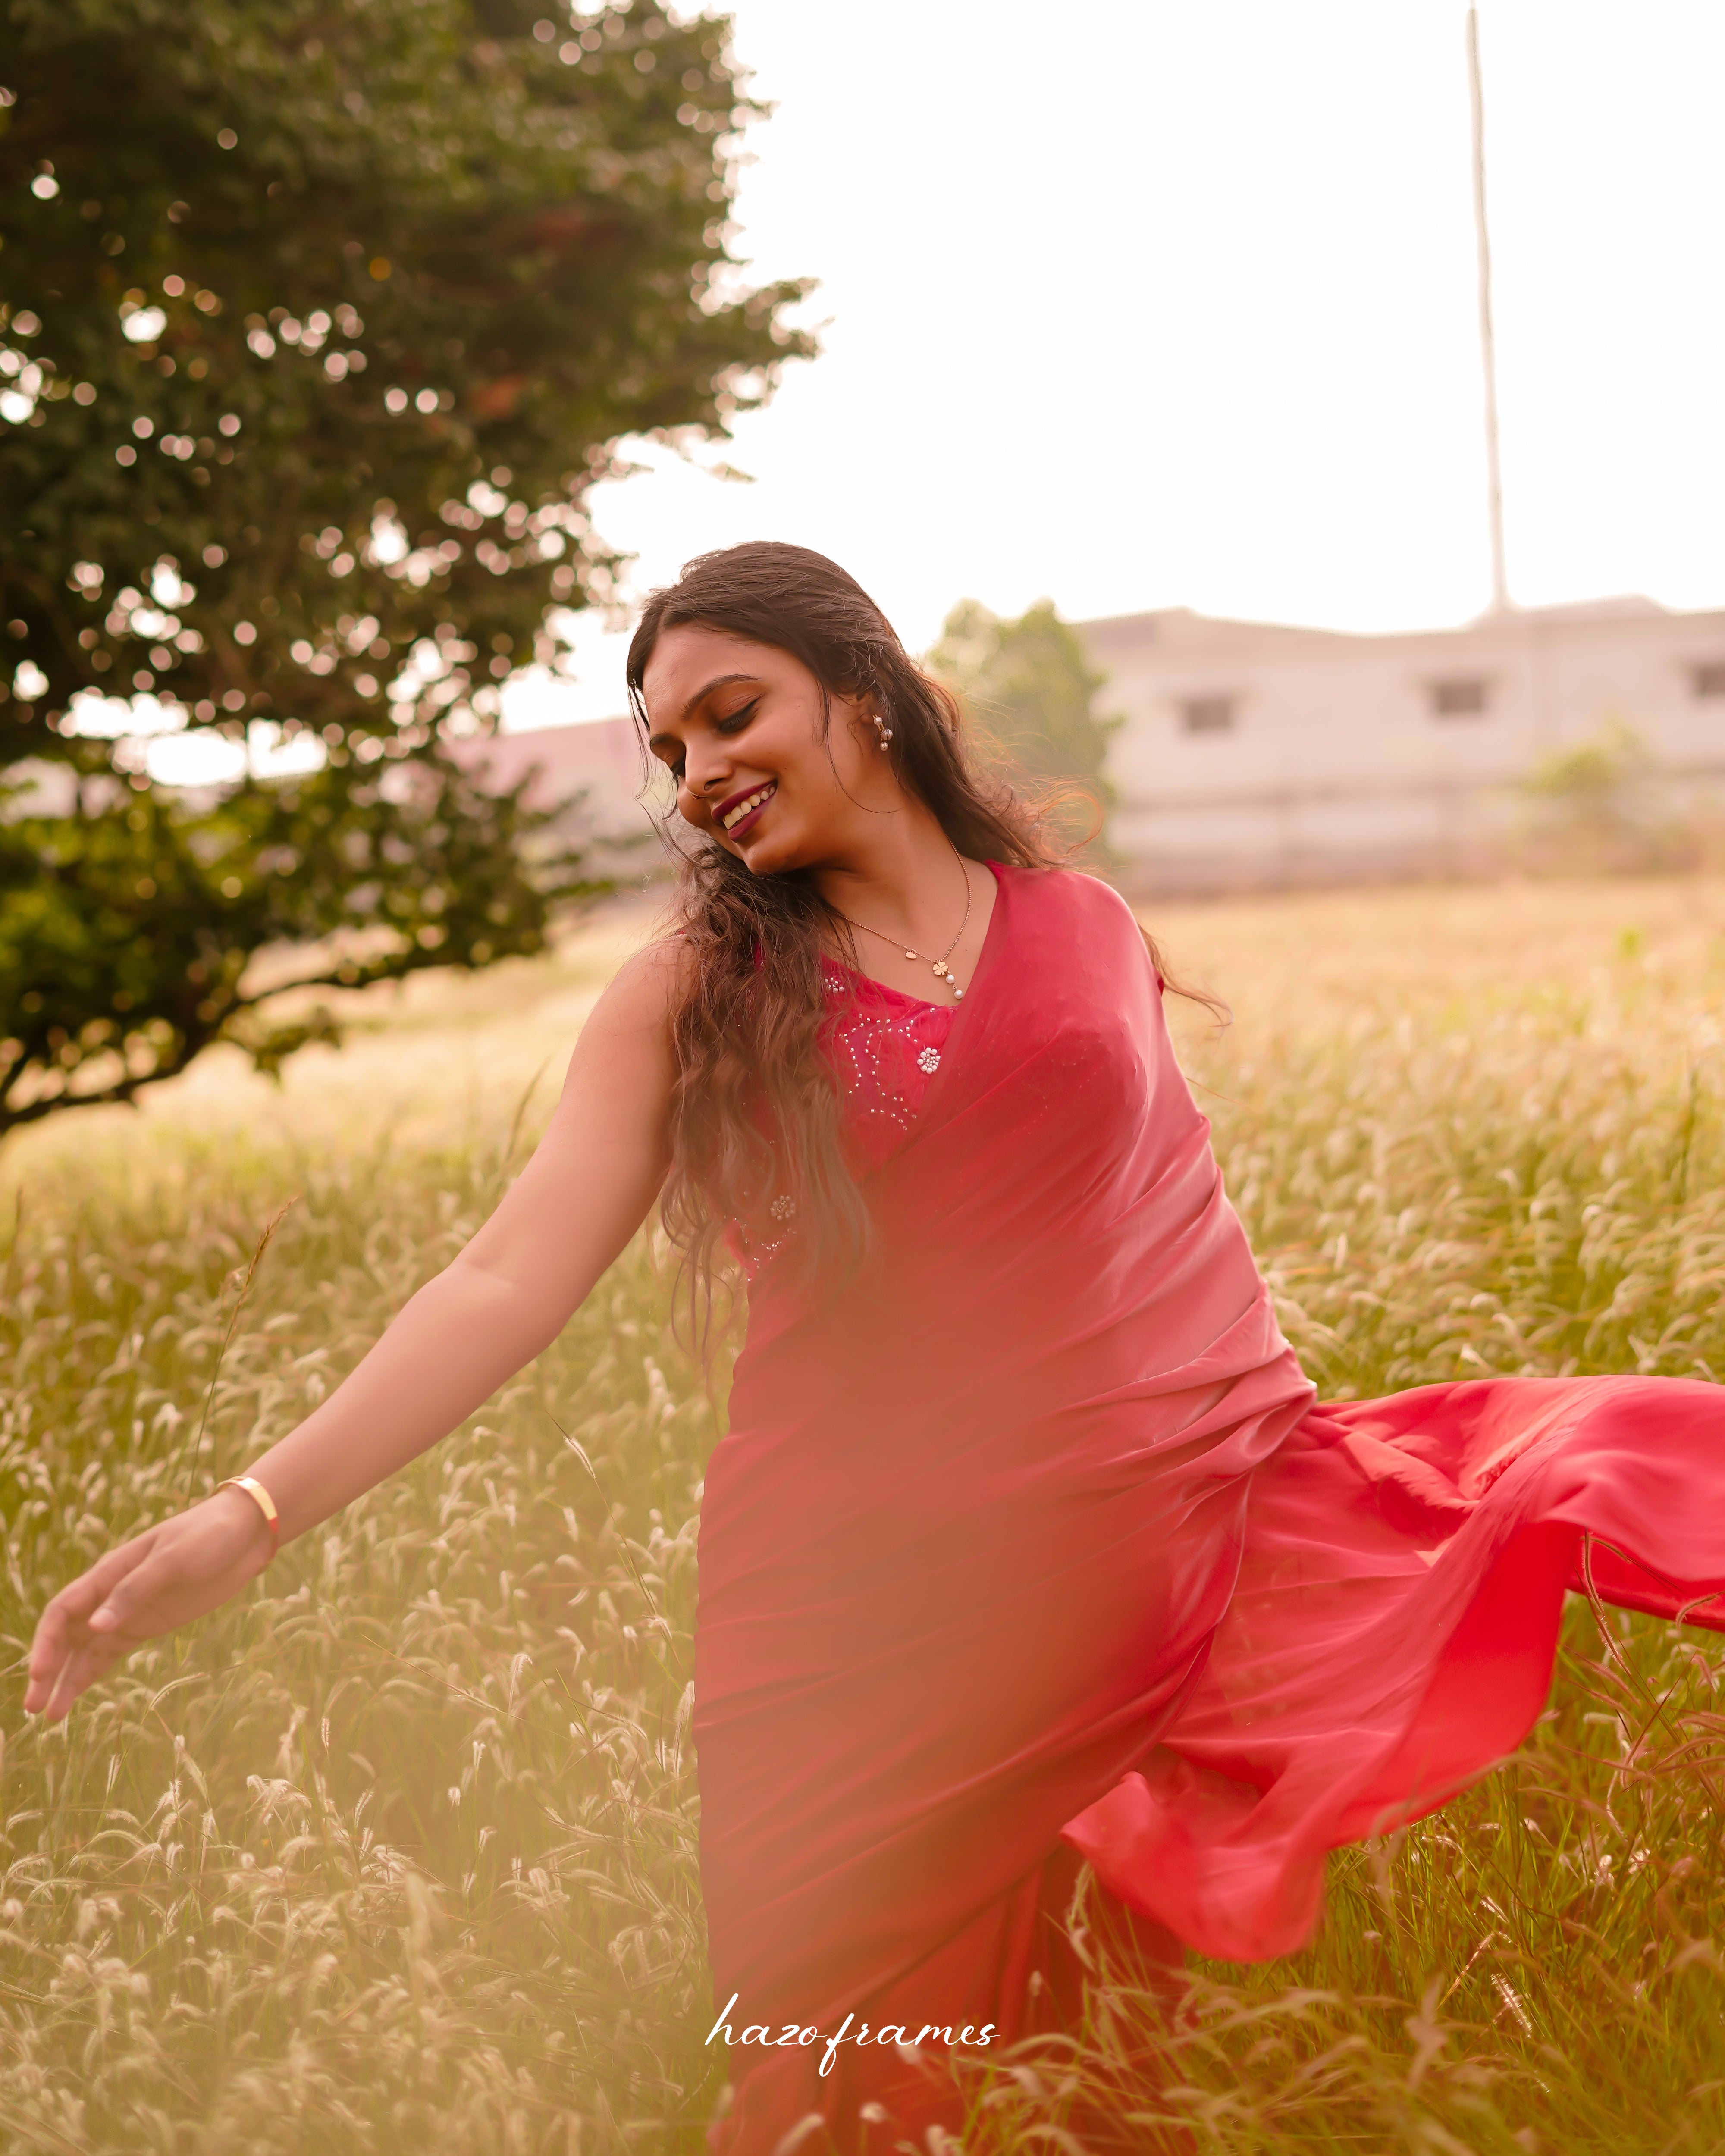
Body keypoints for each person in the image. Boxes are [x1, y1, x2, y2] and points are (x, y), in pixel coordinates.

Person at [26, 542, 1725, 2155]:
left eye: (731, 712)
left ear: (866, 690)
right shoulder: (695, 987)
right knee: (844, 2086)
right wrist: (252, 1510)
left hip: (1135, 1555)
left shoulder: (1085, 925)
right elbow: (500, 1277)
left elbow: (1170, 1236)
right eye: (666, 746)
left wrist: (1275, 1482)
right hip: (849, 1628)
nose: (696, 769)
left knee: (1085, 2075)